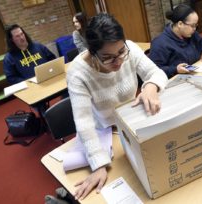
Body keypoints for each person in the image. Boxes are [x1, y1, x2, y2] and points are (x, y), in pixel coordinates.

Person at [66, 13, 168, 201]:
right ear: (91, 51)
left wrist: (150, 87)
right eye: (107, 57)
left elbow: (157, 73)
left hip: (133, 122)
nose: (118, 61)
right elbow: (83, 122)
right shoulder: (78, 73)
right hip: (106, 133)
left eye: (121, 51)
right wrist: (98, 164)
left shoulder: (131, 49)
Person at [149, 4, 202, 79]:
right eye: (192, 25)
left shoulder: (191, 34)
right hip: (175, 81)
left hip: (196, 75)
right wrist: (175, 69)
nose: (195, 29)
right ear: (180, 24)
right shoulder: (160, 43)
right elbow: (153, 71)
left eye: (196, 25)